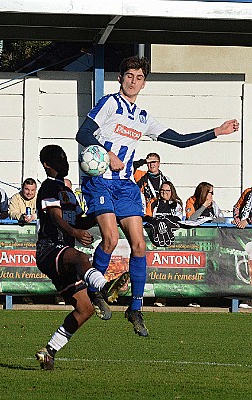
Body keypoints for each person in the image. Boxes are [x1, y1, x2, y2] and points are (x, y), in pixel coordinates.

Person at [76, 55, 239, 336]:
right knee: (111, 238)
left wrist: (217, 131)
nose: (133, 82)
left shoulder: (143, 118)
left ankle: (135, 308)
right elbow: (83, 133)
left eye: (139, 78)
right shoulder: (109, 104)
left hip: (125, 185)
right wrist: (107, 153)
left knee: (139, 246)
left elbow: (181, 140)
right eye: (129, 76)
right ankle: (96, 291)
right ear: (120, 78)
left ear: (144, 83)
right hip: (100, 181)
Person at [34, 144, 129, 370]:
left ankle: (49, 350)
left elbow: (80, 220)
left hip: (62, 252)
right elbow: (56, 217)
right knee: (79, 258)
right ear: (47, 164)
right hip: (49, 249)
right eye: (59, 158)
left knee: (84, 309)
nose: (64, 161)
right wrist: (75, 233)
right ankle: (104, 288)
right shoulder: (48, 187)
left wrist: (102, 215)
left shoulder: (67, 191)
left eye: (65, 157)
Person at [144, 181, 183, 306]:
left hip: (172, 242)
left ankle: (173, 296)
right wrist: (158, 222)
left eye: (167, 191)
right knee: (156, 268)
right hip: (155, 241)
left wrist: (165, 222)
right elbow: (147, 217)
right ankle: (158, 297)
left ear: (172, 192)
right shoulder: (154, 202)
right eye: (162, 190)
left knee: (171, 269)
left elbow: (178, 219)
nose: (164, 193)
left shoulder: (176, 204)